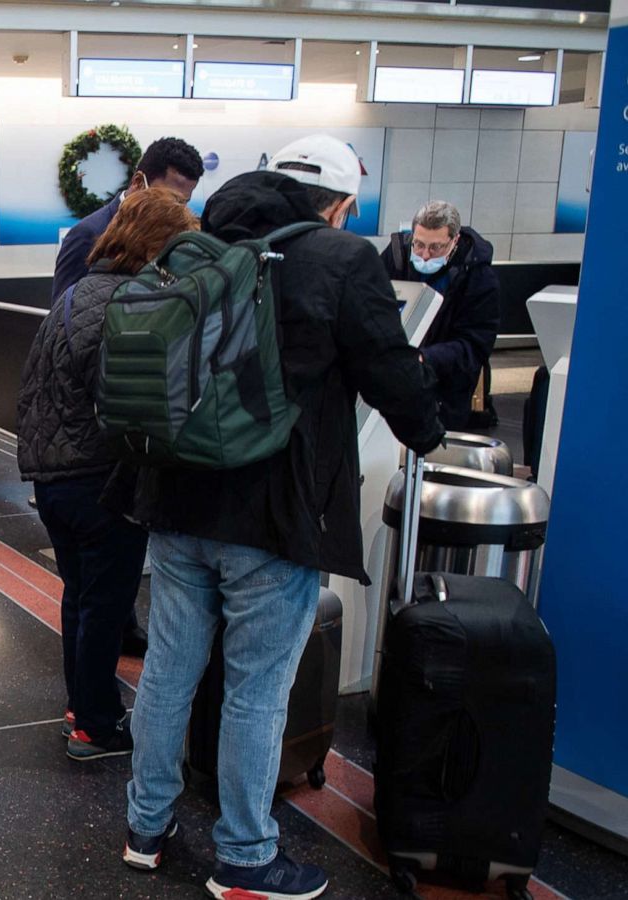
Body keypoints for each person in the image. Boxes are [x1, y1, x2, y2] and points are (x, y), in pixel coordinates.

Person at [116, 136, 443, 900]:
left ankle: (146, 829)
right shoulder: (342, 259)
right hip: (277, 509)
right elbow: (390, 370)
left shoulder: (198, 242)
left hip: (177, 494)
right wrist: (426, 431)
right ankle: (246, 857)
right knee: (256, 689)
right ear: (339, 203)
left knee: (168, 672)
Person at [17, 188, 200, 762]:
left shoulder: (77, 294)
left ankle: (82, 706)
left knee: (82, 597)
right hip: (101, 481)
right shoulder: (133, 303)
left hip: (53, 477)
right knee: (104, 605)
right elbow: (132, 405)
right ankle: (95, 725)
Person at [380, 200, 500, 429]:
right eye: (418, 244)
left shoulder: (478, 277)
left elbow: (475, 346)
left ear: (454, 240)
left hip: (445, 391)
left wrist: (426, 358)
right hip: (391, 378)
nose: (424, 256)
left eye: (436, 247)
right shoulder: (395, 256)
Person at [50, 137, 205, 302]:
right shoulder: (87, 233)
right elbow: (62, 314)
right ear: (138, 182)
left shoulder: (176, 239)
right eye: (169, 200)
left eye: (183, 203)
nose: (175, 210)